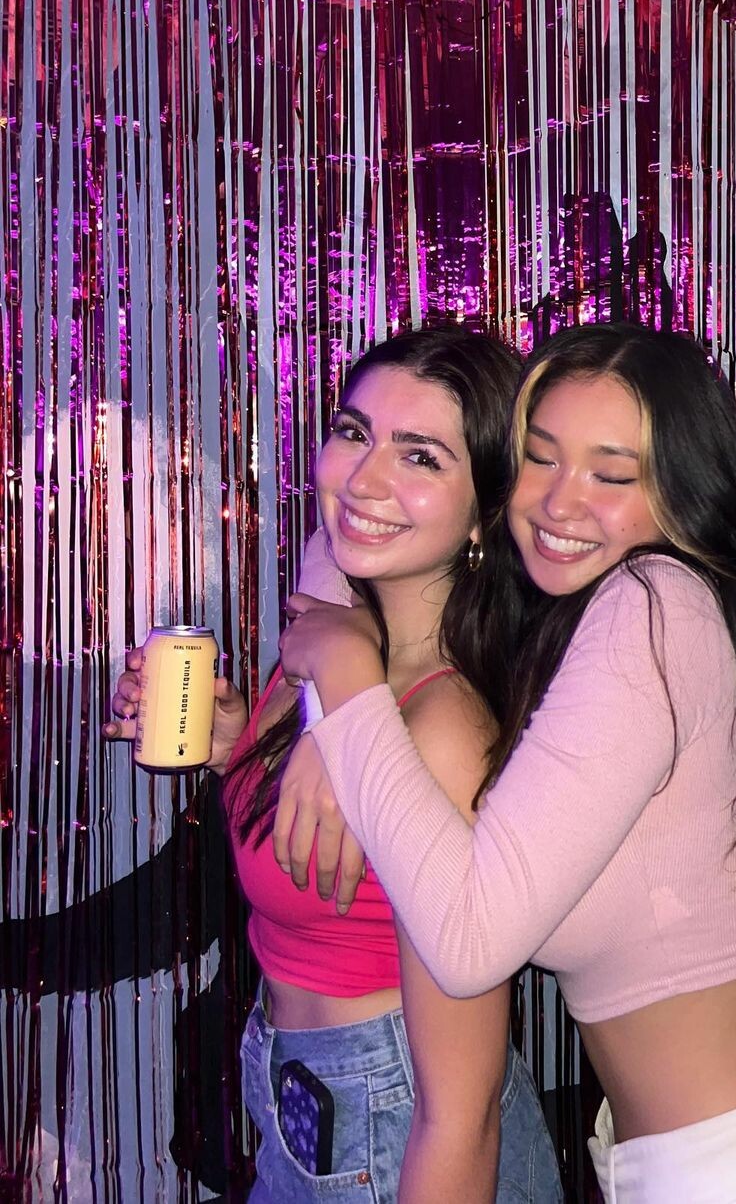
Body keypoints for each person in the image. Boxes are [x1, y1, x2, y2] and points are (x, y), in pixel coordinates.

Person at [274, 322, 736, 1203]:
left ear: (682, 494)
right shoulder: (574, 602)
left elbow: (467, 946)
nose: (558, 503)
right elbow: (350, 534)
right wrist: (325, 714)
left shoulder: (654, 608)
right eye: (540, 459)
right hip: (711, 1141)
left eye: (611, 476)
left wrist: (348, 689)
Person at [105, 328, 562, 1203]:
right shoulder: (330, 644)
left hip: (396, 1127)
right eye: (354, 432)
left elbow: (459, 1115)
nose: (363, 478)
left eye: (420, 456)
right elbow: (327, 857)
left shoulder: (441, 729)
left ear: (483, 510)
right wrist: (239, 749)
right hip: (301, 1098)